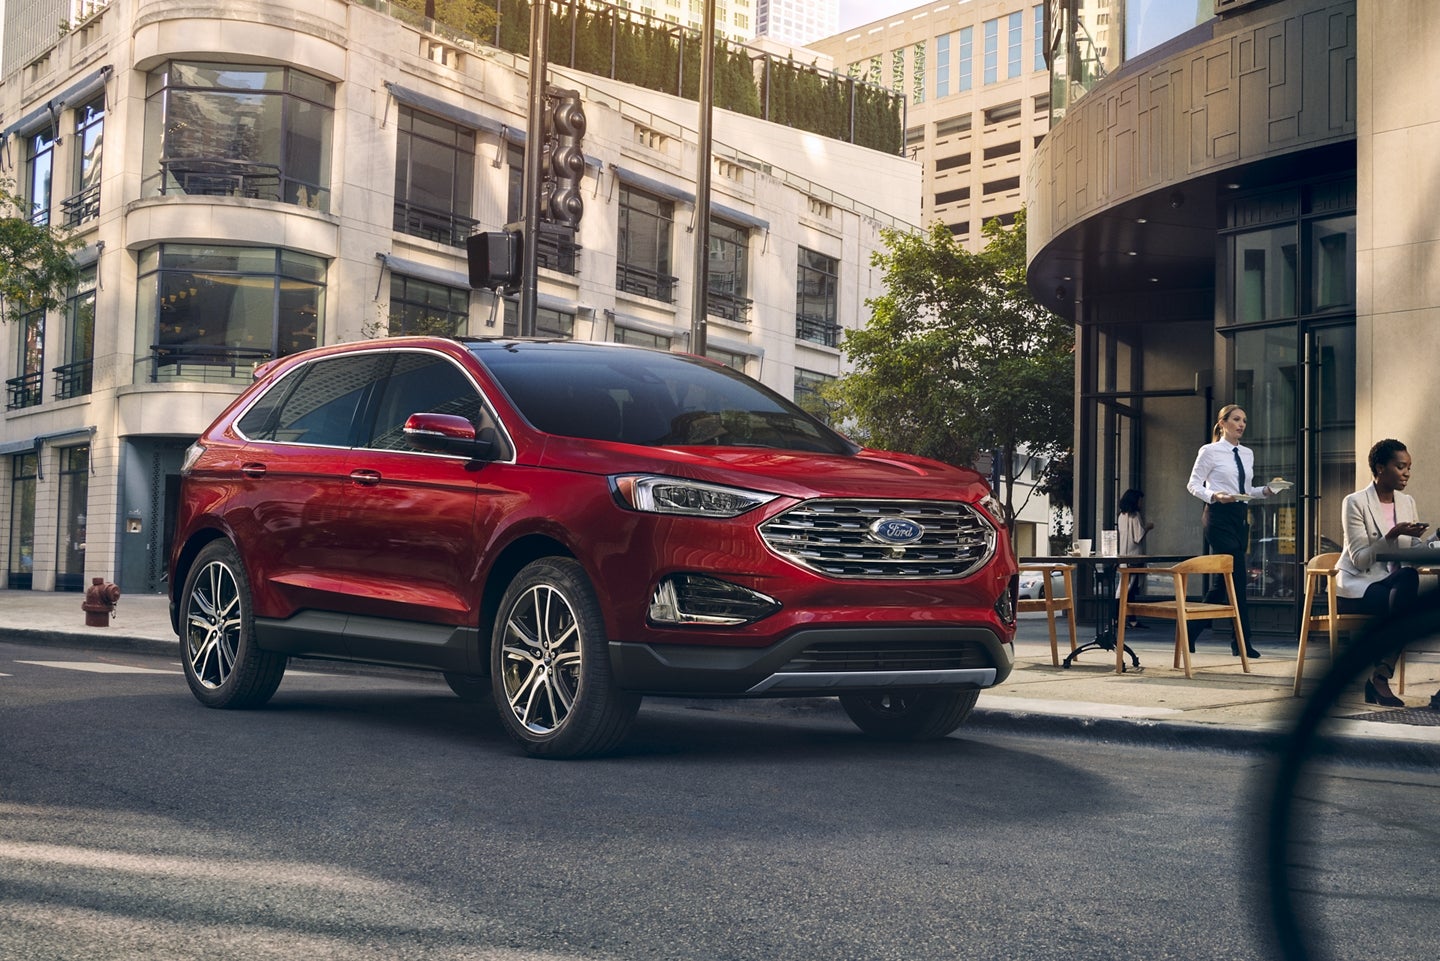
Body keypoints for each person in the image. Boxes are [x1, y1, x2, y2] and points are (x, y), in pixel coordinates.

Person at [1185, 404, 1283, 657]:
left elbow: (1246, 492)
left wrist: (1267, 491)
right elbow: (1193, 484)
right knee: (1238, 577)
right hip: (1218, 516)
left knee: (1222, 582)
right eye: (1236, 419)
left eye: (1244, 421)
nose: (1241, 424)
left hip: (1240, 518)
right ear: (1222, 423)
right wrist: (1214, 495)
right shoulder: (1210, 451)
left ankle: (1189, 633)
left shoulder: (1247, 453)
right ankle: (1241, 641)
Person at [1336, 438, 1428, 706]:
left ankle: (1379, 676)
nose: (1407, 473)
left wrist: (1431, 540)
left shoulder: (1407, 501)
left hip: (1396, 587)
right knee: (1406, 602)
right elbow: (1361, 560)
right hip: (1359, 587)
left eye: (1409, 467)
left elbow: (1413, 549)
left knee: (1408, 580)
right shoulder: (1354, 502)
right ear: (1380, 468)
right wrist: (1392, 535)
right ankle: (1378, 680)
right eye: (1400, 467)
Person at [1118, 488, 1154, 630]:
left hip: (1123, 556)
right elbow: (1138, 537)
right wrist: (1148, 527)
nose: (1141, 503)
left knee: (1125, 588)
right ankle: (1125, 618)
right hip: (1134, 556)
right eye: (1140, 500)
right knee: (1129, 588)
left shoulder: (1121, 516)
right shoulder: (1135, 516)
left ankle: (1126, 619)